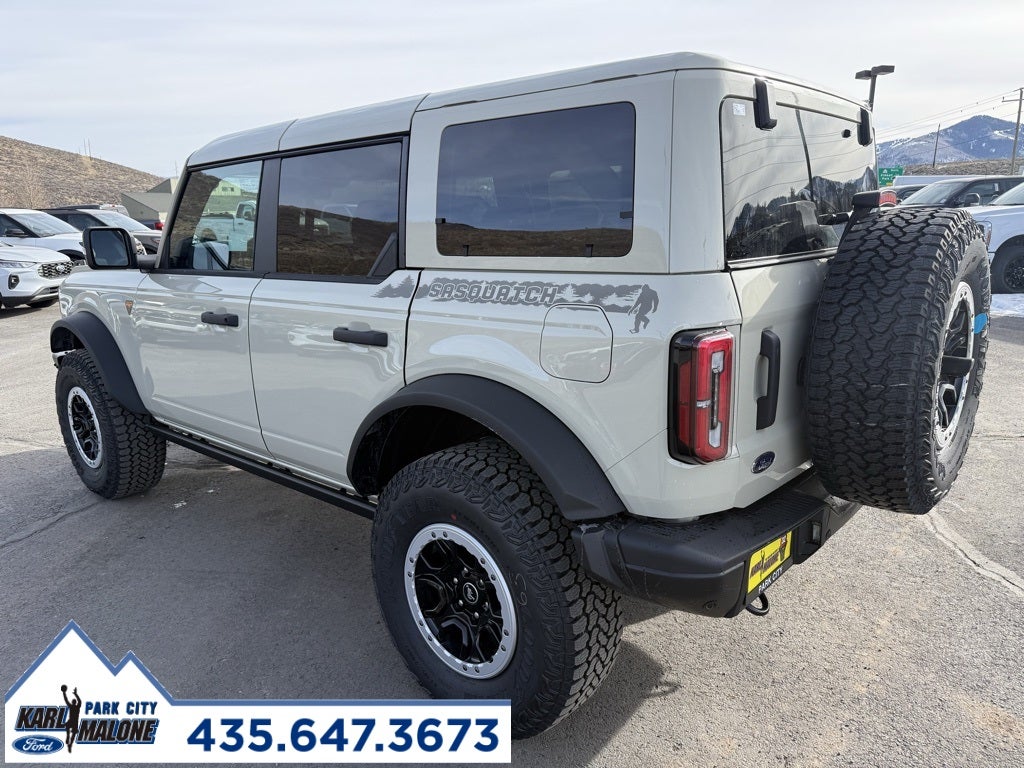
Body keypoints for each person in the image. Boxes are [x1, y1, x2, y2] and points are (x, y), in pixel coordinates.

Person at [61, 684, 81, 753]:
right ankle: (69, 741)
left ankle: (68, 738)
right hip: (74, 722)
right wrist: (75, 694)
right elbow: (79, 701)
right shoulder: (76, 706)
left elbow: (66, 700)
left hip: (72, 721)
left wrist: (64, 693)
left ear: (73, 702)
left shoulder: (73, 706)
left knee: (68, 727)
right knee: (73, 733)